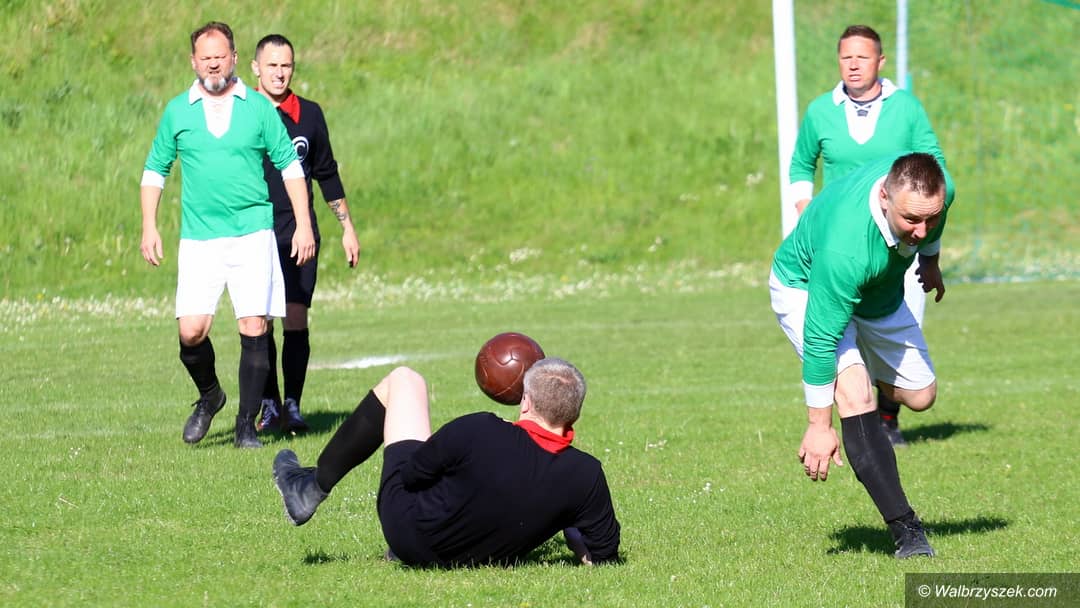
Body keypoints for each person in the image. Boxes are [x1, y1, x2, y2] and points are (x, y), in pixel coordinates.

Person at [770, 151, 955, 558]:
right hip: (807, 287)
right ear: (885, 197)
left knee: (921, 396)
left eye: (931, 219)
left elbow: (928, 228)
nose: (922, 230)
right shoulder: (846, 250)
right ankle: (907, 531)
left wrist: (931, 262)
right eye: (911, 220)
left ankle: (858, 370)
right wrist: (819, 425)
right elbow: (820, 339)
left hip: (878, 290)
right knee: (856, 395)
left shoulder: (937, 194)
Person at [140, 22, 316, 449]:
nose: (214, 63)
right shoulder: (178, 111)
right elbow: (155, 170)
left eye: (220, 56)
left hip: (252, 233)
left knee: (254, 326)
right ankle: (210, 395)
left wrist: (304, 223)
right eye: (206, 57)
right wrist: (149, 225)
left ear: (235, 58)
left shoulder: (257, 108)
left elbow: (290, 165)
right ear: (193, 62)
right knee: (191, 332)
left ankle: (245, 426)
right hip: (200, 238)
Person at [272, 358, 621, 567]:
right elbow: (602, 554)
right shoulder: (586, 475)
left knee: (405, 379)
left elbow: (412, 475)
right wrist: (570, 522)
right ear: (575, 413)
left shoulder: (480, 428)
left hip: (407, 532)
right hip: (481, 559)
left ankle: (311, 486)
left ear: (525, 402)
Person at [788, 25, 947, 446]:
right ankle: (861, 417)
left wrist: (930, 257)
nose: (854, 65)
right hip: (843, 247)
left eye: (862, 57)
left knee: (906, 364)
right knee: (836, 334)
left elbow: (936, 172)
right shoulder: (820, 110)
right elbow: (801, 165)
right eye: (846, 57)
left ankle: (888, 418)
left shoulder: (906, 108)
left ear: (880, 61)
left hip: (896, 248)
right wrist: (806, 210)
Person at [250, 34, 361, 434]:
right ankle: (269, 405)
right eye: (272, 65)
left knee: (295, 317)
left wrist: (347, 227)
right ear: (255, 68)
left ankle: (292, 406)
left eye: (286, 66)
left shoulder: (309, 115)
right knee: (259, 321)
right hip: (253, 234)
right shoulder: (242, 114)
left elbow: (326, 173)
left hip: (300, 233)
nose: (279, 73)